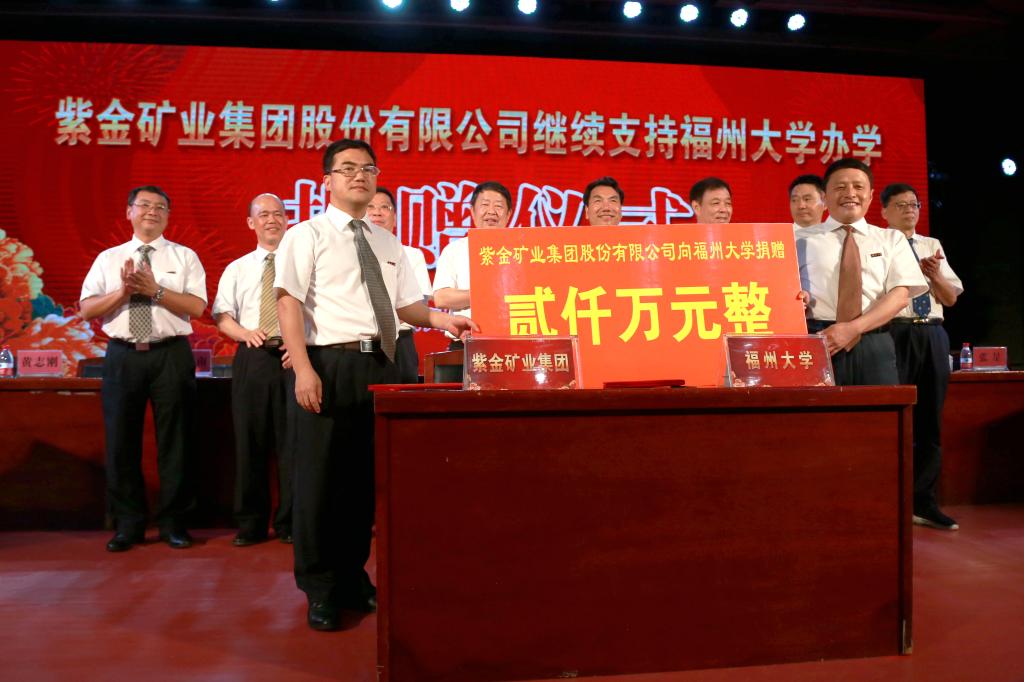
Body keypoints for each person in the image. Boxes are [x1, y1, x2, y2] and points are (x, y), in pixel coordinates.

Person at [274, 139, 478, 631]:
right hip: (329, 364)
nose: (359, 176)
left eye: (368, 168)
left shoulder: (388, 243)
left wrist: (442, 320)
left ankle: (352, 576)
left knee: (362, 482)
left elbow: (406, 306)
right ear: (327, 180)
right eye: (347, 168)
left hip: (382, 366)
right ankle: (320, 588)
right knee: (320, 481)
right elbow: (287, 302)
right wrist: (302, 368)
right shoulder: (306, 235)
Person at [80, 185, 207, 551]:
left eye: (160, 207)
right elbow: (87, 309)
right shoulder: (109, 258)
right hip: (123, 355)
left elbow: (197, 307)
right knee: (121, 440)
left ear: (168, 215)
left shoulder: (184, 256)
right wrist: (122, 292)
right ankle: (128, 524)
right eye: (145, 205)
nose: (152, 211)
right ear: (129, 212)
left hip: (170, 353)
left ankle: (174, 523)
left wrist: (155, 290)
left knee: (176, 441)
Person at [796, 159, 928, 385]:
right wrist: (796, 299)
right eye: (840, 187)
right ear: (824, 197)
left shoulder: (891, 239)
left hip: (874, 342)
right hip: (818, 340)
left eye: (858, 187)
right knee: (817, 408)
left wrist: (852, 329)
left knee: (878, 407)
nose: (850, 193)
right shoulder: (798, 240)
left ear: (871, 195)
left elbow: (900, 296)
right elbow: (781, 290)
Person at [881, 183, 963, 530]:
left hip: (932, 333)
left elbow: (950, 298)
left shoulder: (932, 245)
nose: (909, 210)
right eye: (900, 205)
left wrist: (933, 274)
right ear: (884, 211)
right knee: (893, 419)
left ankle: (924, 502)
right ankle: (888, 500)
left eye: (913, 205)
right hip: (893, 332)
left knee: (930, 419)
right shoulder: (878, 243)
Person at [213, 193, 293, 546]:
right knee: (251, 443)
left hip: (294, 358)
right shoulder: (238, 268)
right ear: (251, 222)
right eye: (263, 215)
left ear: (287, 219)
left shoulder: (302, 265)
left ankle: (291, 522)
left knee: (294, 443)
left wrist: (301, 345)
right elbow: (222, 316)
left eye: (278, 214)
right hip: (253, 355)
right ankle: (251, 523)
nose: (271, 220)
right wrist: (244, 333)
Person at [432, 180, 512, 349]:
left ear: (509, 214)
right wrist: (488, 293)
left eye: (498, 206)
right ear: (472, 212)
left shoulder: (521, 251)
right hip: (465, 342)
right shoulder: (455, 250)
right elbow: (441, 298)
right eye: (485, 205)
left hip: (512, 343)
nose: (491, 211)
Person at [367, 187, 432, 383]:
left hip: (400, 342)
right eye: (370, 207)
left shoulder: (412, 255)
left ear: (394, 218)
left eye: (384, 207)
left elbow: (420, 302)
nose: (377, 212)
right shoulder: (348, 252)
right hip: (360, 342)